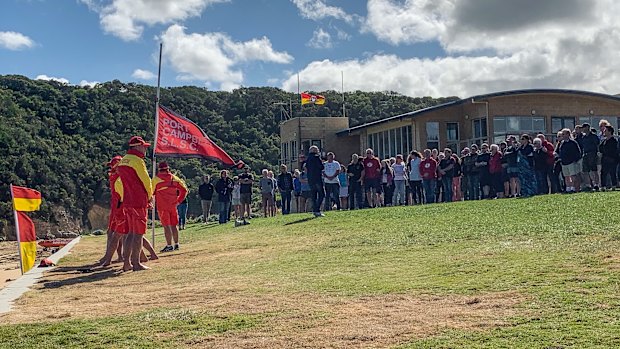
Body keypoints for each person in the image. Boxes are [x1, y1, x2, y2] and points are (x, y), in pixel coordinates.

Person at [116, 136, 157, 271]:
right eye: (144, 146)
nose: (145, 149)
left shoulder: (122, 161)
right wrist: (150, 196)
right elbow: (146, 180)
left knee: (129, 233)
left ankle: (126, 263)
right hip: (138, 201)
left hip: (127, 201)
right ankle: (136, 263)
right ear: (137, 146)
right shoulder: (137, 161)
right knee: (138, 233)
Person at [153, 162, 188, 252]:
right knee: (173, 225)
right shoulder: (174, 178)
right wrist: (179, 201)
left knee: (166, 226)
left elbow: (150, 192)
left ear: (159, 169)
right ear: (168, 169)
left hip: (162, 207)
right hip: (173, 206)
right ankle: (176, 244)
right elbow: (184, 190)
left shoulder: (156, 180)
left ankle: (169, 245)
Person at [99, 155, 124, 266]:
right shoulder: (114, 175)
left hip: (119, 206)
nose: (111, 168)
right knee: (114, 232)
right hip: (115, 206)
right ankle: (116, 256)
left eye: (113, 165)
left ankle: (111, 257)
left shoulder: (120, 176)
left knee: (116, 233)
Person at [558, 128, 582, 193]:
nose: (562, 135)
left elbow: (578, 152)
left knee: (573, 175)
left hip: (571, 162)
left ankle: (573, 188)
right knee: (566, 176)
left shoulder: (573, 142)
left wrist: (575, 160)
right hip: (564, 162)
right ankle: (568, 188)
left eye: (564, 134)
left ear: (568, 134)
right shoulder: (562, 143)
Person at [305, 145, 325, 217]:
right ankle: (317, 209)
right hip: (317, 178)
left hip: (310, 179)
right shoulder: (316, 157)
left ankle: (314, 210)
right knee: (321, 194)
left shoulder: (307, 159)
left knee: (314, 195)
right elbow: (321, 167)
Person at [580, 123, 600, 191]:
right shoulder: (583, 137)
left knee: (594, 170)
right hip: (585, 154)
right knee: (585, 170)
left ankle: (596, 184)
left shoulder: (593, 136)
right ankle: (588, 185)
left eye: (584, 127)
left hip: (592, 154)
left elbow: (597, 144)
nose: (583, 129)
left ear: (588, 127)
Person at [599, 125, 619, 190]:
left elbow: (615, 150)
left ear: (610, 131)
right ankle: (603, 186)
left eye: (606, 130)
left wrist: (613, 158)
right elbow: (600, 148)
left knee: (612, 172)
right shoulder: (604, 141)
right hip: (604, 159)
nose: (604, 132)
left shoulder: (614, 141)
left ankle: (614, 185)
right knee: (603, 173)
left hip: (612, 159)